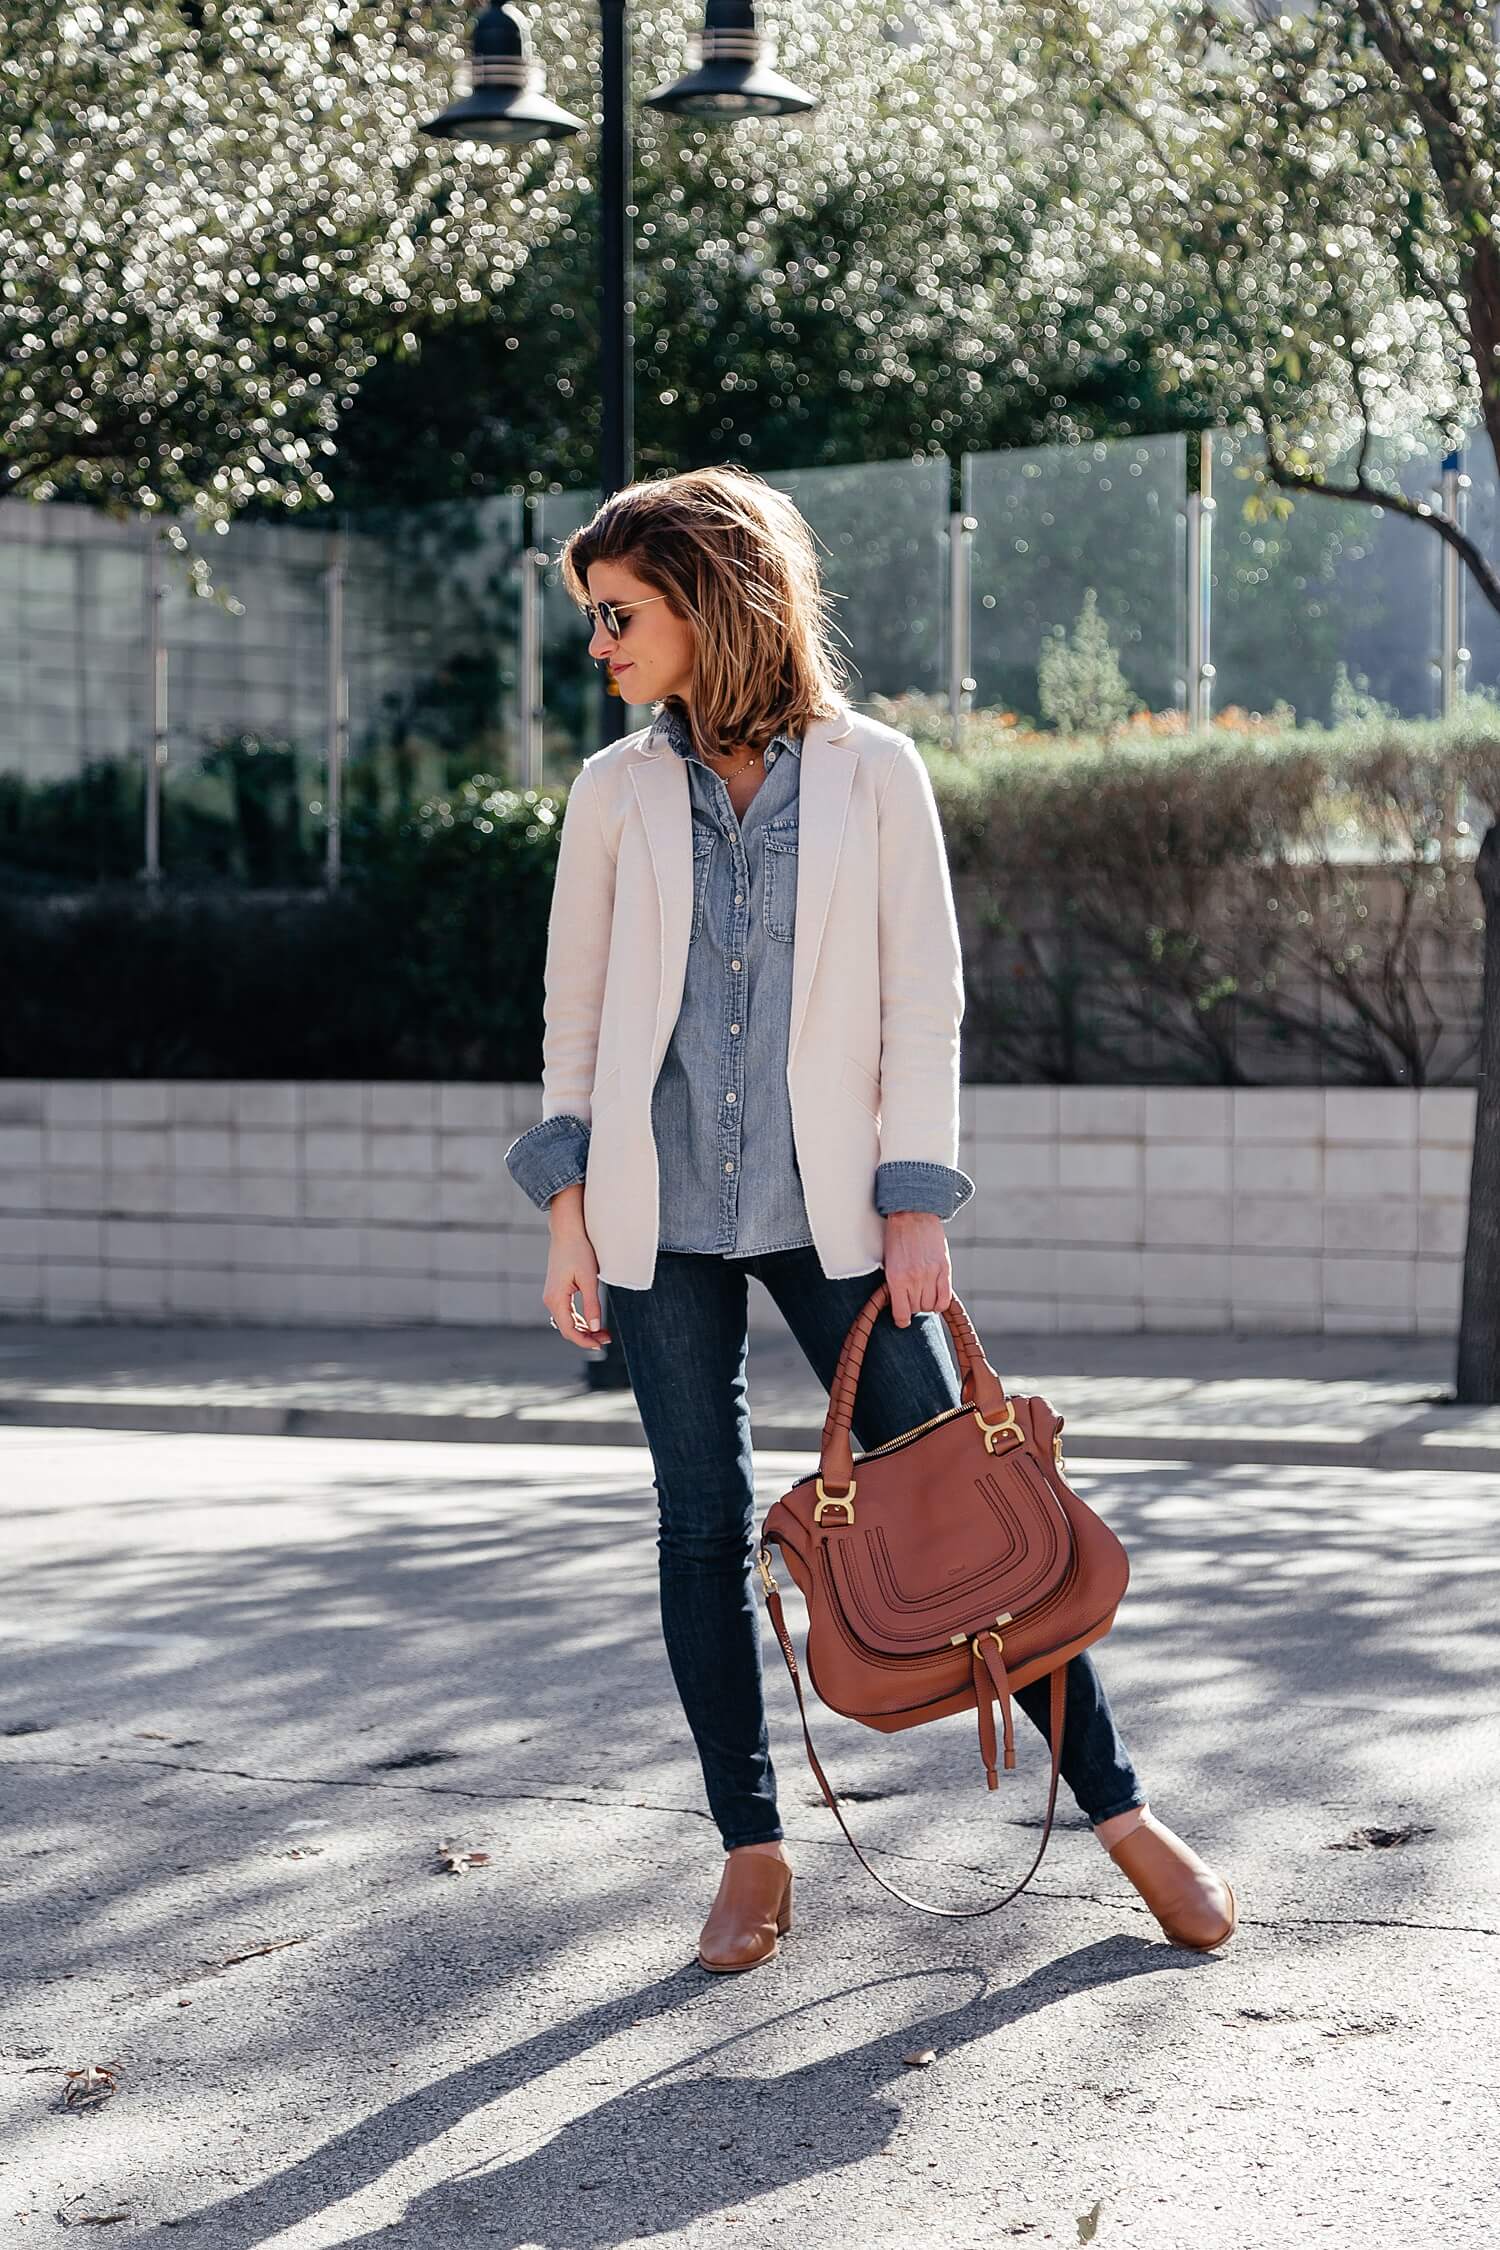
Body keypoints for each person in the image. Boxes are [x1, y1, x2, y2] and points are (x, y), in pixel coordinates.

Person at [505, 466, 1236, 1973]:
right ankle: (752, 1848)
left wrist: (917, 1203)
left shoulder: (874, 773)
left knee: (975, 1497)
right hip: (657, 1219)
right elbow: (572, 1013)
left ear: (710, 600)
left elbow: (927, 1001)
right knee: (701, 1526)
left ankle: (1121, 1812)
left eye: (620, 614)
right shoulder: (614, 792)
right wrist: (566, 1210)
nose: (601, 644)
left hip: (841, 1215)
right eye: (594, 619)